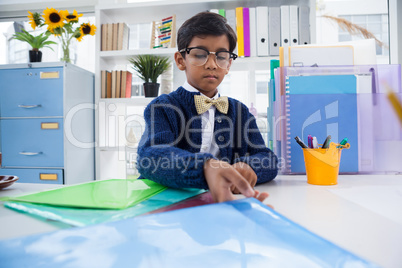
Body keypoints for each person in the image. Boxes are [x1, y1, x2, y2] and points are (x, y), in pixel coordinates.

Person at [137, 11, 278, 203]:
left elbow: (267, 157)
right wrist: (205, 167)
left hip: (224, 202)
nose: (212, 64)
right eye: (200, 54)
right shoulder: (162, 107)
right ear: (180, 60)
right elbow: (150, 157)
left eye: (221, 56)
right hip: (169, 203)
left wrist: (249, 166)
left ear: (229, 64)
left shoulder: (240, 111)